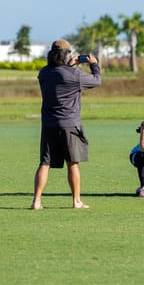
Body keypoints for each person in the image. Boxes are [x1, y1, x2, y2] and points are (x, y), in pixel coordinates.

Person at [31, 39, 102, 210]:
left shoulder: (44, 73)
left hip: (48, 124)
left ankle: (36, 201)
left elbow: (60, 73)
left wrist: (70, 66)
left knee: (44, 163)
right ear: (65, 54)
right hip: (69, 123)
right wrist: (94, 64)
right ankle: (76, 200)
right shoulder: (73, 75)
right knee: (73, 162)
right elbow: (96, 80)